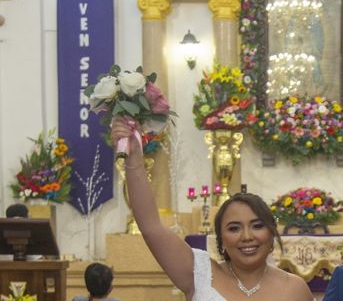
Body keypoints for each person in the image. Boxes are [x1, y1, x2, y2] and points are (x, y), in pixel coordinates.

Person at [111, 117, 313, 301]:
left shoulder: (294, 288)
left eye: (257, 225)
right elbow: (150, 227)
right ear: (221, 240)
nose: (246, 236)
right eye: (234, 228)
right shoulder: (198, 273)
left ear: (271, 233)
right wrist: (134, 156)